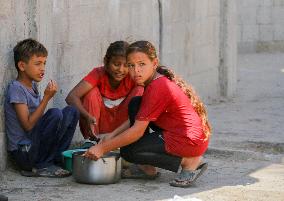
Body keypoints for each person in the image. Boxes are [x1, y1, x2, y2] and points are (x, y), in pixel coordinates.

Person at [83, 40, 211, 188]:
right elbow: (140, 116)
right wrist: (112, 135)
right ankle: (147, 168)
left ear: (154, 63)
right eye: (131, 65)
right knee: (136, 104)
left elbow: (137, 131)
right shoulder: (153, 82)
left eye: (142, 64)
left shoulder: (158, 86)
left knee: (129, 151)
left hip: (189, 141)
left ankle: (189, 161)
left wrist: (102, 148)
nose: (136, 70)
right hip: (182, 133)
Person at [4, 38, 79, 177]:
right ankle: (42, 166)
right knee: (55, 113)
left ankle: (55, 158)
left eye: (44, 63)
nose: (43, 68)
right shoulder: (16, 89)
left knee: (72, 111)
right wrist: (46, 98)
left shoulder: (32, 85)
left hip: (35, 147)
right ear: (22, 66)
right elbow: (28, 126)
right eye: (38, 64)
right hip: (24, 152)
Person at [65, 41, 143, 145]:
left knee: (140, 90)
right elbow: (71, 97)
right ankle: (91, 141)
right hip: (96, 126)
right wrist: (87, 116)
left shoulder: (133, 75)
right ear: (106, 61)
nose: (121, 70)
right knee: (91, 93)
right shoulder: (98, 73)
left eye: (126, 65)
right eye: (116, 64)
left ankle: (128, 140)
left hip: (121, 129)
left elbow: (152, 76)